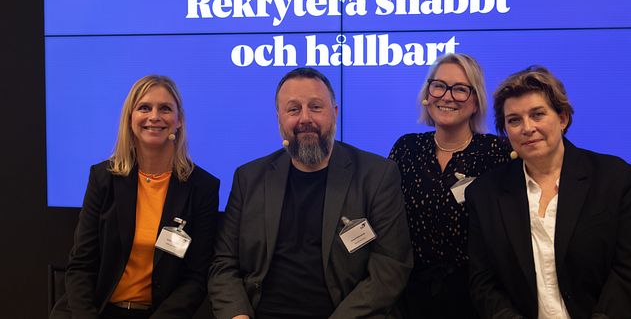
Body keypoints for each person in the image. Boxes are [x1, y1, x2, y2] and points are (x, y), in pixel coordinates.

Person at [208, 67, 412, 319]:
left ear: (334, 113)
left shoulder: (377, 175)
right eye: (293, 109)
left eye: (316, 107)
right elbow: (224, 264)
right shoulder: (248, 178)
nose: (305, 118)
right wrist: (237, 315)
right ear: (279, 118)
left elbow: (390, 267)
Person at [467, 65, 631, 319]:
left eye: (538, 114)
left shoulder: (616, 179)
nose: (527, 128)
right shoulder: (484, 193)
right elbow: (483, 281)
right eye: (514, 120)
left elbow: (630, 271)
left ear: (562, 118)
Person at [50, 75, 220, 319]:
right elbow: (81, 266)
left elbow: (195, 278)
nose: (154, 116)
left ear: (179, 120)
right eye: (144, 108)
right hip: (96, 310)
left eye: (165, 109)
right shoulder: (103, 178)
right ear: (130, 119)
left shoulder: (202, 187)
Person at [388, 53, 512, 319]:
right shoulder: (406, 148)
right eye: (439, 85)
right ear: (427, 93)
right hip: (410, 298)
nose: (447, 96)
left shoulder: (498, 153)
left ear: (476, 100)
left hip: (477, 299)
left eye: (460, 89)